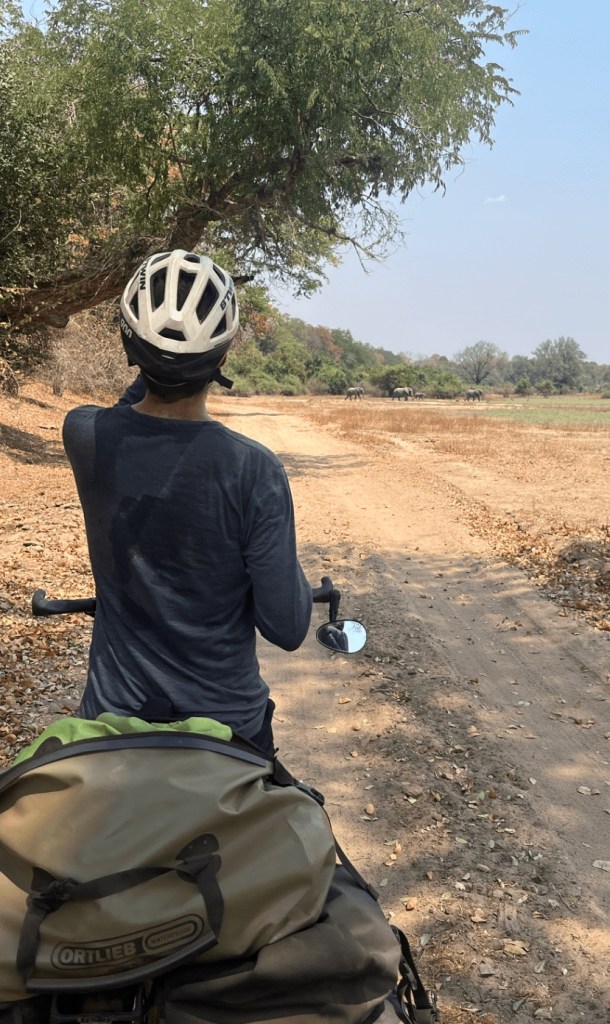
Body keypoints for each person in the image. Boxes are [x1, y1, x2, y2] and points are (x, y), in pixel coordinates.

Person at [62, 249, 312, 755]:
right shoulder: (254, 470)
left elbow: (123, 413)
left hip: (112, 724)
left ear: (127, 344)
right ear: (222, 358)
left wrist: (156, 362)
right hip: (226, 734)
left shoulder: (84, 437)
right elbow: (287, 628)